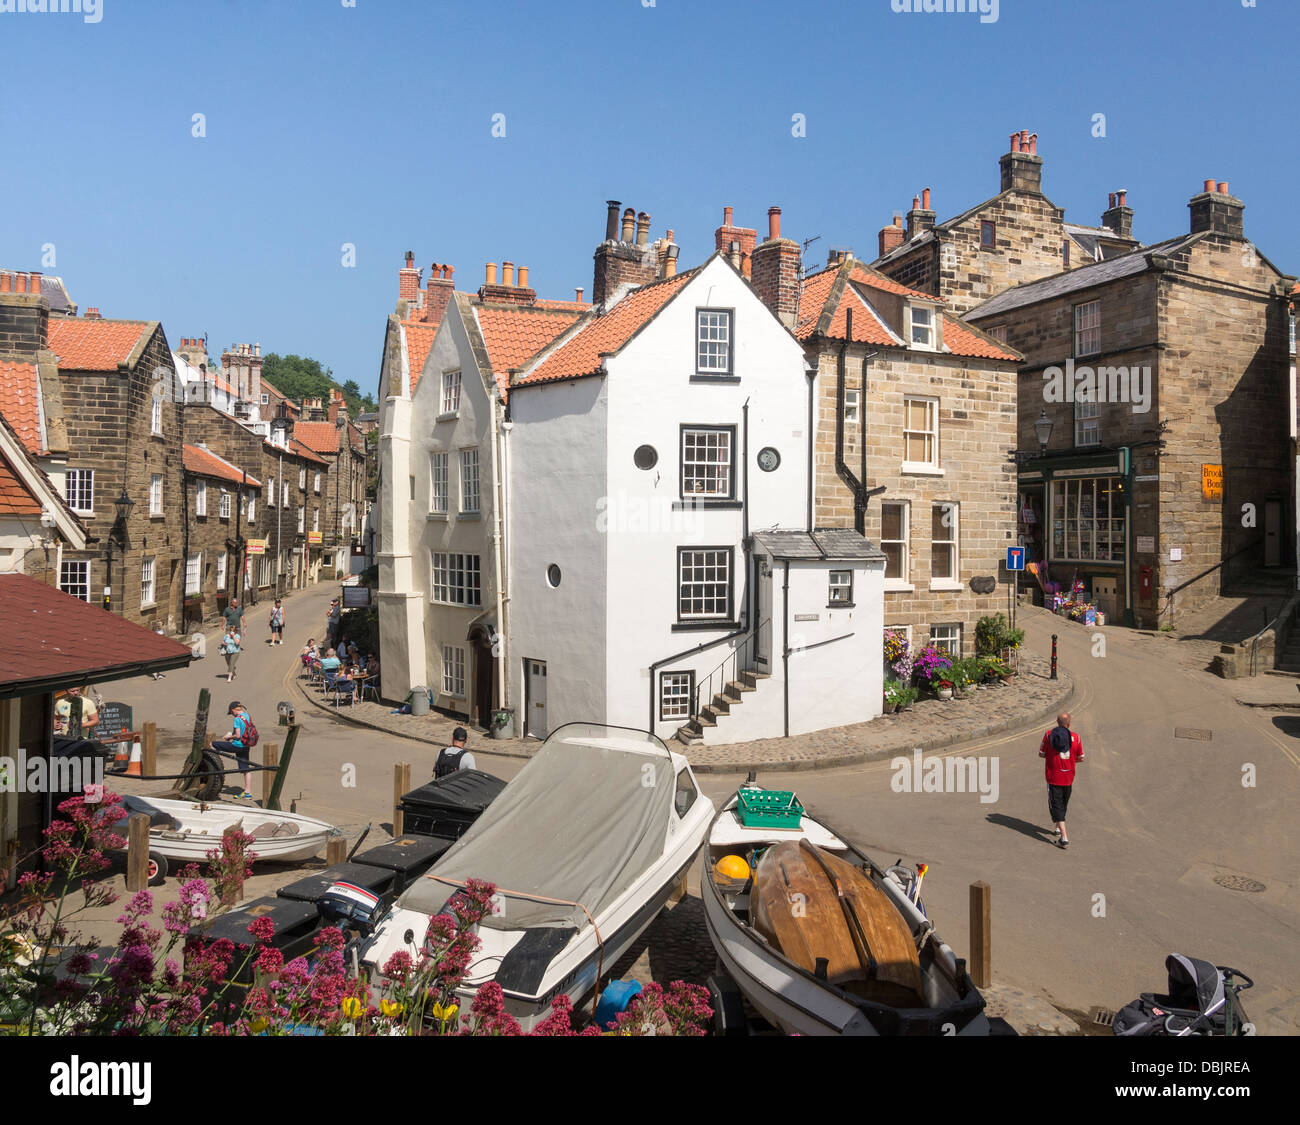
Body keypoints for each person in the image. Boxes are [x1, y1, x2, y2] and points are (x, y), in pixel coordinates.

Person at [1038, 711, 1085, 849]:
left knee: (1055, 804)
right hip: (1069, 776)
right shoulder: (1076, 738)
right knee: (1063, 803)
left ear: (1057, 723)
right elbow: (1081, 757)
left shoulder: (1048, 735)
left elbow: (1041, 754)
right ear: (1068, 724)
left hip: (1053, 776)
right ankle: (1058, 827)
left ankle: (1064, 838)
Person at [212, 701, 254, 799]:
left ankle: (213, 767)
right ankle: (248, 792)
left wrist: (229, 737)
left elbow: (238, 736)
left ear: (234, 710)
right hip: (246, 745)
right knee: (245, 768)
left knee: (212, 744)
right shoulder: (247, 716)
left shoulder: (237, 719)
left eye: (231, 713)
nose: (232, 715)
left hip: (237, 745)